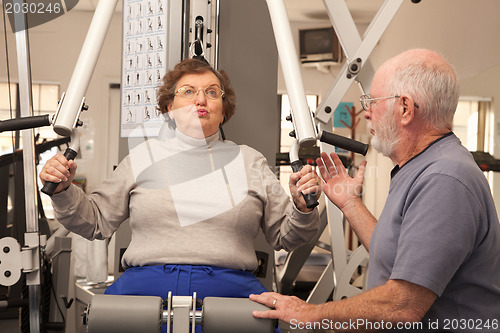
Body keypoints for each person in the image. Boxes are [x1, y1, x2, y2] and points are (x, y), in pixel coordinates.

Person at [40, 58, 321, 333]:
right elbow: (95, 221)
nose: (201, 100)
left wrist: (302, 208)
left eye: (212, 93)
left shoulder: (250, 161)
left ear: (223, 110)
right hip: (144, 288)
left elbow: (287, 237)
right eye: (188, 92)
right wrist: (64, 191)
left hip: (229, 291)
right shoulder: (142, 157)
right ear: (169, 108)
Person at [251, 49, 500, 331]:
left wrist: (308, 313)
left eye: (372, 101)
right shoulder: (421, 167)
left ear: (405, 109)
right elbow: (397, 256)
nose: (366, 112)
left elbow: (403, 306)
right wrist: (349, 203)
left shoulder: (444, 178)